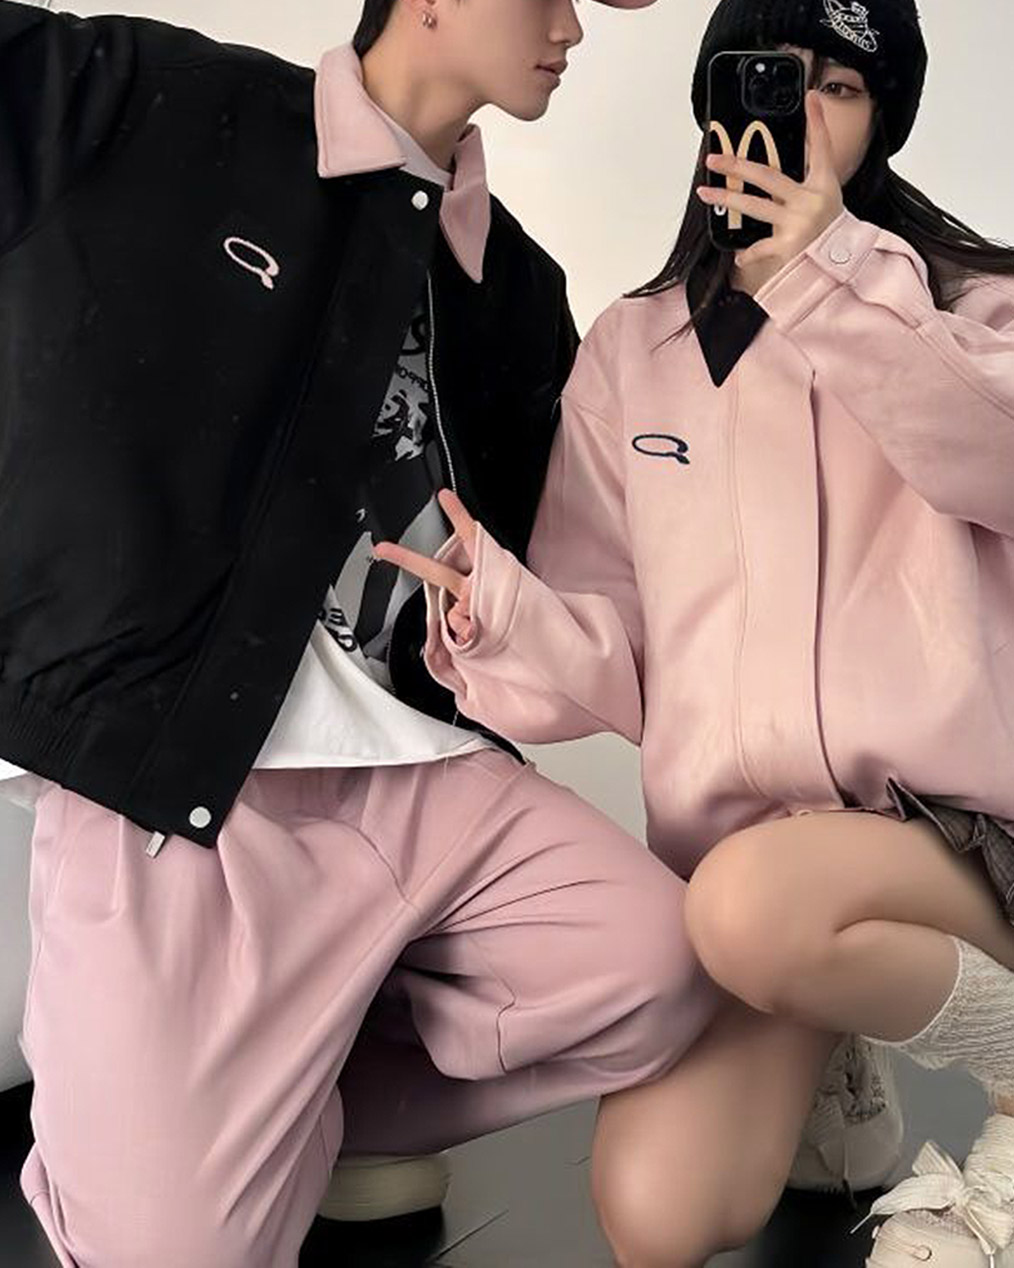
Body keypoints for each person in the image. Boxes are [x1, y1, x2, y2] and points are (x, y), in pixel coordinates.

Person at [0, 0, 727, 1263]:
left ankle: (308, 1113)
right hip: (186, 783)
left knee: (663, 965)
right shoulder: (157, 104)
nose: (571, 26)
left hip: (429, 777)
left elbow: (566, 571)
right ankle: (192, 1135)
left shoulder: (515, 287)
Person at [380, 0, 1014, 1262]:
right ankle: (834, 1029)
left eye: (841, 86)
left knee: (746, 907)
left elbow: (990, 458)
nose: (803, 111)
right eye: (771, 76)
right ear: (715, 102)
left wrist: (829, 277)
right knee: (657, 1214)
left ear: (883, 119)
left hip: (970, 840)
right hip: (765, 865)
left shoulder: (973, 304)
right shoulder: (637, 347)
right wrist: (503, 616)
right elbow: (624, 651)